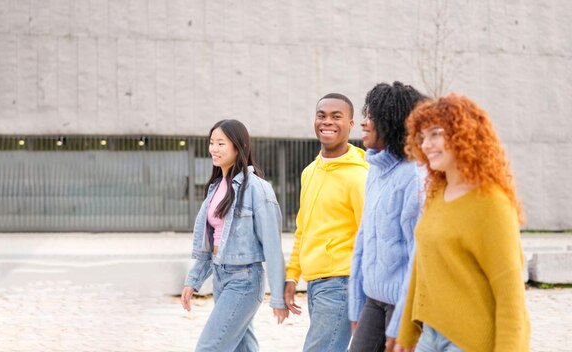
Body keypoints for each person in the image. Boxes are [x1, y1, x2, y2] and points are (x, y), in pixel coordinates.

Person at [392, 94, 531, 352]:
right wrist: (407, 333)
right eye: (422, 137)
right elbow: (421, 267)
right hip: (430, 335)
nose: (426, 145)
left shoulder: (492, 203)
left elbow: (510, 294)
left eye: (436, 134)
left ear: (464, 135)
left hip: (470, 342)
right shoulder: (437, 192)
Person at [180, 119, 288, 352]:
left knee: (209, 347)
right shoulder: (216, 187)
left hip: (245, 280)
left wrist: (278, 298)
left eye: (221, 143)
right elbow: (209, 241)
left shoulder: (257, 189)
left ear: (238, 147)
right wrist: (194, 279)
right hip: (221, 277)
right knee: (243, 348)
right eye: (211, 143)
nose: (213, 149)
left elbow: (272, 245)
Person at [284, 93, 369, 351]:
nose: (327, 122)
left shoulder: (359, 175)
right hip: (316, 284)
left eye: (336, 116)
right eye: (322, 115)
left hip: (341, 283)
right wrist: (292, 276)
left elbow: (369, 235)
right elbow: (304, 229)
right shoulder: (310, 172)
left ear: (351, 124)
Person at [348, 82, 426, 352]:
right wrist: (355, 307)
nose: (364, 123)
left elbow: (418, 257)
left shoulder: (413, 176)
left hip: (401, 305)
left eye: (371, 117)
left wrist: (399, 327)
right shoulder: (375, 171)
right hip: (373, 301)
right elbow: (363, 241)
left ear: (392, 122)